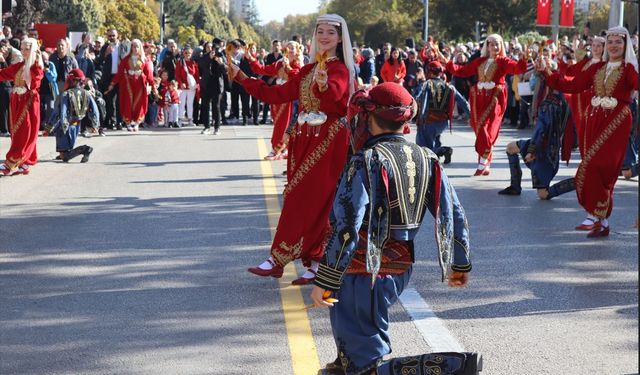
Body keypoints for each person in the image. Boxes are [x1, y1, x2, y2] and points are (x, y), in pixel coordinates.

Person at [310, 83, 478, 375]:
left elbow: (347, 226)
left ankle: (449, 367)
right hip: (399, 268)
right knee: (347, 357)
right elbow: (454, 214)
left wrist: (327, 277)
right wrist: (460, 263)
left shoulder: (365, 160)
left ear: (369, 118)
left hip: (360, 271)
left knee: (365, 366)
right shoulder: (428, 157)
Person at [231, 14, 356, 285]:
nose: (324, 36)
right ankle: (314, 262)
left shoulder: (340, 70)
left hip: (328, 141)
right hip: (304, 141)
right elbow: (276, 94)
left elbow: (336, 102)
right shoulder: (309, 70)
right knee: (306, 199)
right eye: (320, 31)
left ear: (339, 38)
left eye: (330, 33)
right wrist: (243, 78)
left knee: (307, 199)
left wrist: (324, 86)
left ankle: (278, 260)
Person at [538, 26, 638, 237]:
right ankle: (603, 222)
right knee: (595, 167)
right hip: (594, 121)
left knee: (596, 166)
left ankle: (595, 214)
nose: (613, 46)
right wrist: (547, 72)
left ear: (625, 45)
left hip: (617, 121)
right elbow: (573, 85)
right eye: (610, 42)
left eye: (618, 42)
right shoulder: (596, 68)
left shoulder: (629, 69)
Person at [441, 34, 528, 176]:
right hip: (478, 99)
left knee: (487, 129)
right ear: (487, 46)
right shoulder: (480, 61)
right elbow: (463, 71)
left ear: (501, 46)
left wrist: (524, 58)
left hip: (494, 99)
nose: (494, 46)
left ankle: (482, 162)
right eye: (491, 43)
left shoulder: (504, 61)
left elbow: (518, 69)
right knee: (480, 129)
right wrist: (448, 63)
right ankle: (485, 162)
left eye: (497, 44)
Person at [498, 52, 572, 199]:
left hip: (544, 148)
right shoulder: (544, 84)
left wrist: (532, 150)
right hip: (543, 143)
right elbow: (527, 79)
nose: (537, 65)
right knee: (511, 148)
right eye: (537, 62)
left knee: (543, 194)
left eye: (542, 63)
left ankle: (579, 182)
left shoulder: (552, 99)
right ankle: (515, 186)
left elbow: (543, 129)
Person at [246, 40, 304, 159]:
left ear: (298, 50)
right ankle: (284, 150)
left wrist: (287, 66)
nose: (290, 50)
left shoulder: (299, 64)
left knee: (286, 125)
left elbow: (296, 78)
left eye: (293, 48)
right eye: (287, 48)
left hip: (291, 99)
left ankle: (277, 149)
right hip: (278, 97)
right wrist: (250, 58)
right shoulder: (279, 63)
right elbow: (262, 69)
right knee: (278, 123)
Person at [0, 38, 44, 176]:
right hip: (16, 102)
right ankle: (26, 162)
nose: (24, 51)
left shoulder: (35, 67)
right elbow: (4, 73)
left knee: (23, 132)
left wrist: (34, 63)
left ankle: (11, 163)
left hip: (28, 103)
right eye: (23, 48)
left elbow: (35, 83)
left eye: (27, 48)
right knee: (17, 131)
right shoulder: (19, 65)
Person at [414, 61, 470, 164]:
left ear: (429, 72)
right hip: (443, 122)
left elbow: (415, 98)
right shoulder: (450, 87)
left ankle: (443, 151)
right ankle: (439, 154)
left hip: (428, 121)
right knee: (435, 140)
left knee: (423, 148)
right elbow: (463, 102)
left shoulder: (426, 85)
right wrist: (471, 116)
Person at [46, 69, 97, 163]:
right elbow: (94, 110)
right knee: (65, 151)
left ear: (73, 80)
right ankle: (66, 153)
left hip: (65, 127)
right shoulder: (86, 93)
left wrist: (49, 127)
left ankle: (85, 149)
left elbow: (60, 112)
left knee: (65, 156)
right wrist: (95, 125)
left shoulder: (66, 94)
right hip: (76, 126)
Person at [105, 39, 156, 132]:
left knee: (139, 104)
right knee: (127, 103)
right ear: (131, 47)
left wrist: (153, 86)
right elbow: (120, 73)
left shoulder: (144, 60)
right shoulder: (126, 59)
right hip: (128, 84)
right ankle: (128, 123)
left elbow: (149, 74)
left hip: (140, 84)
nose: (135, 48)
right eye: (133, 46)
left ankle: (136, 123)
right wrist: (112, 83)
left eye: (137, 46)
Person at [175, 46, 199, 126]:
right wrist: (181, 83)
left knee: (190, 103)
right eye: (186, 53)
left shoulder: (194, 63)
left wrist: (197, 84)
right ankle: (180, 119)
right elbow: (177, 75)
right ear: (183, 53)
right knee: (181, 103)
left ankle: (190, 119)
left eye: (189, 53)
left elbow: (196, 74)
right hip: (183, 87)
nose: (187, 54)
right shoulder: (180, 62)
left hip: (191, 87)